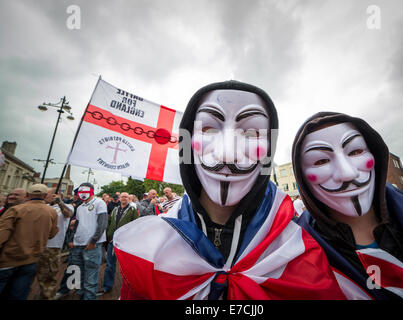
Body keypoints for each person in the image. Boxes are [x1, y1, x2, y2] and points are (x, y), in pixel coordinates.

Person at [113, 80, 345, 300]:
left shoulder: (299, 248)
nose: (227, 154)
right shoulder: (150, 249)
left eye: (252, 134)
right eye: (209, 130)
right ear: (186, 143)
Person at [292, 111, 403, 300]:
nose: (347, 173)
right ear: (302, 178)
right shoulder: (295, 253)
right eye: (321, 161)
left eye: (356, 151)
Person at [0, 184, 58, 300]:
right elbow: (52, 234)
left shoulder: (16, 209)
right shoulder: (51, 212)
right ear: (45, 195)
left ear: (27, 195)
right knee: (19, 294)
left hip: (8, 260)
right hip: (32, 259)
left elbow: (2, 235)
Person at [67, 182, 107, 300]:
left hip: (91, 247)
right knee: (78, 277)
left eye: (85, 191)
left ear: (91, 191)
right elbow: (77, 224)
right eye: (81, 191)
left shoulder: (99, 203)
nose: (83, 194)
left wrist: (93, 241)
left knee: (90, 280)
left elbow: (102, 223)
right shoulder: (79, 207)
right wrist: (71, 239)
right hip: (77, 246)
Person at [35, 188, 74, 300]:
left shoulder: (66, 206)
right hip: (37, 245)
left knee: (48, 277)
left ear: (56, 196)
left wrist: (59, 202)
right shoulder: (44, 206)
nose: (45, 196)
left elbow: (68, 214)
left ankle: (48, 296)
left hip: (52, 246)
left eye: (47, 194)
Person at [99, 192, 138, 295]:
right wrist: (108, 235)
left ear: (129, 199)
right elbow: (110, 222)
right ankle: (107, 286)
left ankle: (129, 288)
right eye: (122, 196)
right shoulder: (115, 209)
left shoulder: (133, 210)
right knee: (109, 265)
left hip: (124, 243)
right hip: (112, 241)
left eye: (126, 197)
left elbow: (135, 225)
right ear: (119, 198)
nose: (124, 198)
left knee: (126, 267)